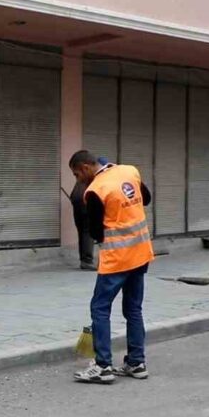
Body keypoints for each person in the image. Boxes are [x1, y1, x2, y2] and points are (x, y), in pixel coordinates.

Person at [68, 150, 154, 385]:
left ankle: (103, 366)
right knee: (133, 309)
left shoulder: (96, 190)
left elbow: (95, 231)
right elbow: (145, 199)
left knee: (100, 308)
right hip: (141, 253)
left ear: (85, 167)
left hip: (117, 258)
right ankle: (137, 363)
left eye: (77, 174)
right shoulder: (129, 171)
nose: (78, 179)